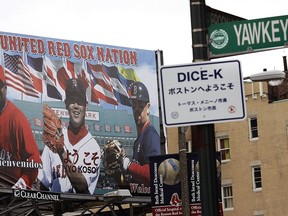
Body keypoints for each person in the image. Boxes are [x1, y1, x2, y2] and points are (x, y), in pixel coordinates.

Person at [37, 78, 101, 194]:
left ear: (86, 106)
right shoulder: (55, 137)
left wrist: (61, 151)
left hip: (81, 210)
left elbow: (81, 187)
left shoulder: (93, 147)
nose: (76, 106)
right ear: (66, 104)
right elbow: (42, 183)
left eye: (80, 101)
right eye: (72, 100)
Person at [0, 78, 42, 189]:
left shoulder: (17, 118)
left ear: (5, 89)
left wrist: (17, 189)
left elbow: (34, 161)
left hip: (11, 198)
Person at [122, 81, 161, 186]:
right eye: (134, 106)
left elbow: (153, 173)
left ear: (148, 107)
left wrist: (129, 165)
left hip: (151, 201)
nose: (137, 109)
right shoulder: (139, 139)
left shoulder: (150, 135)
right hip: (142, 200)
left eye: (140, 105)